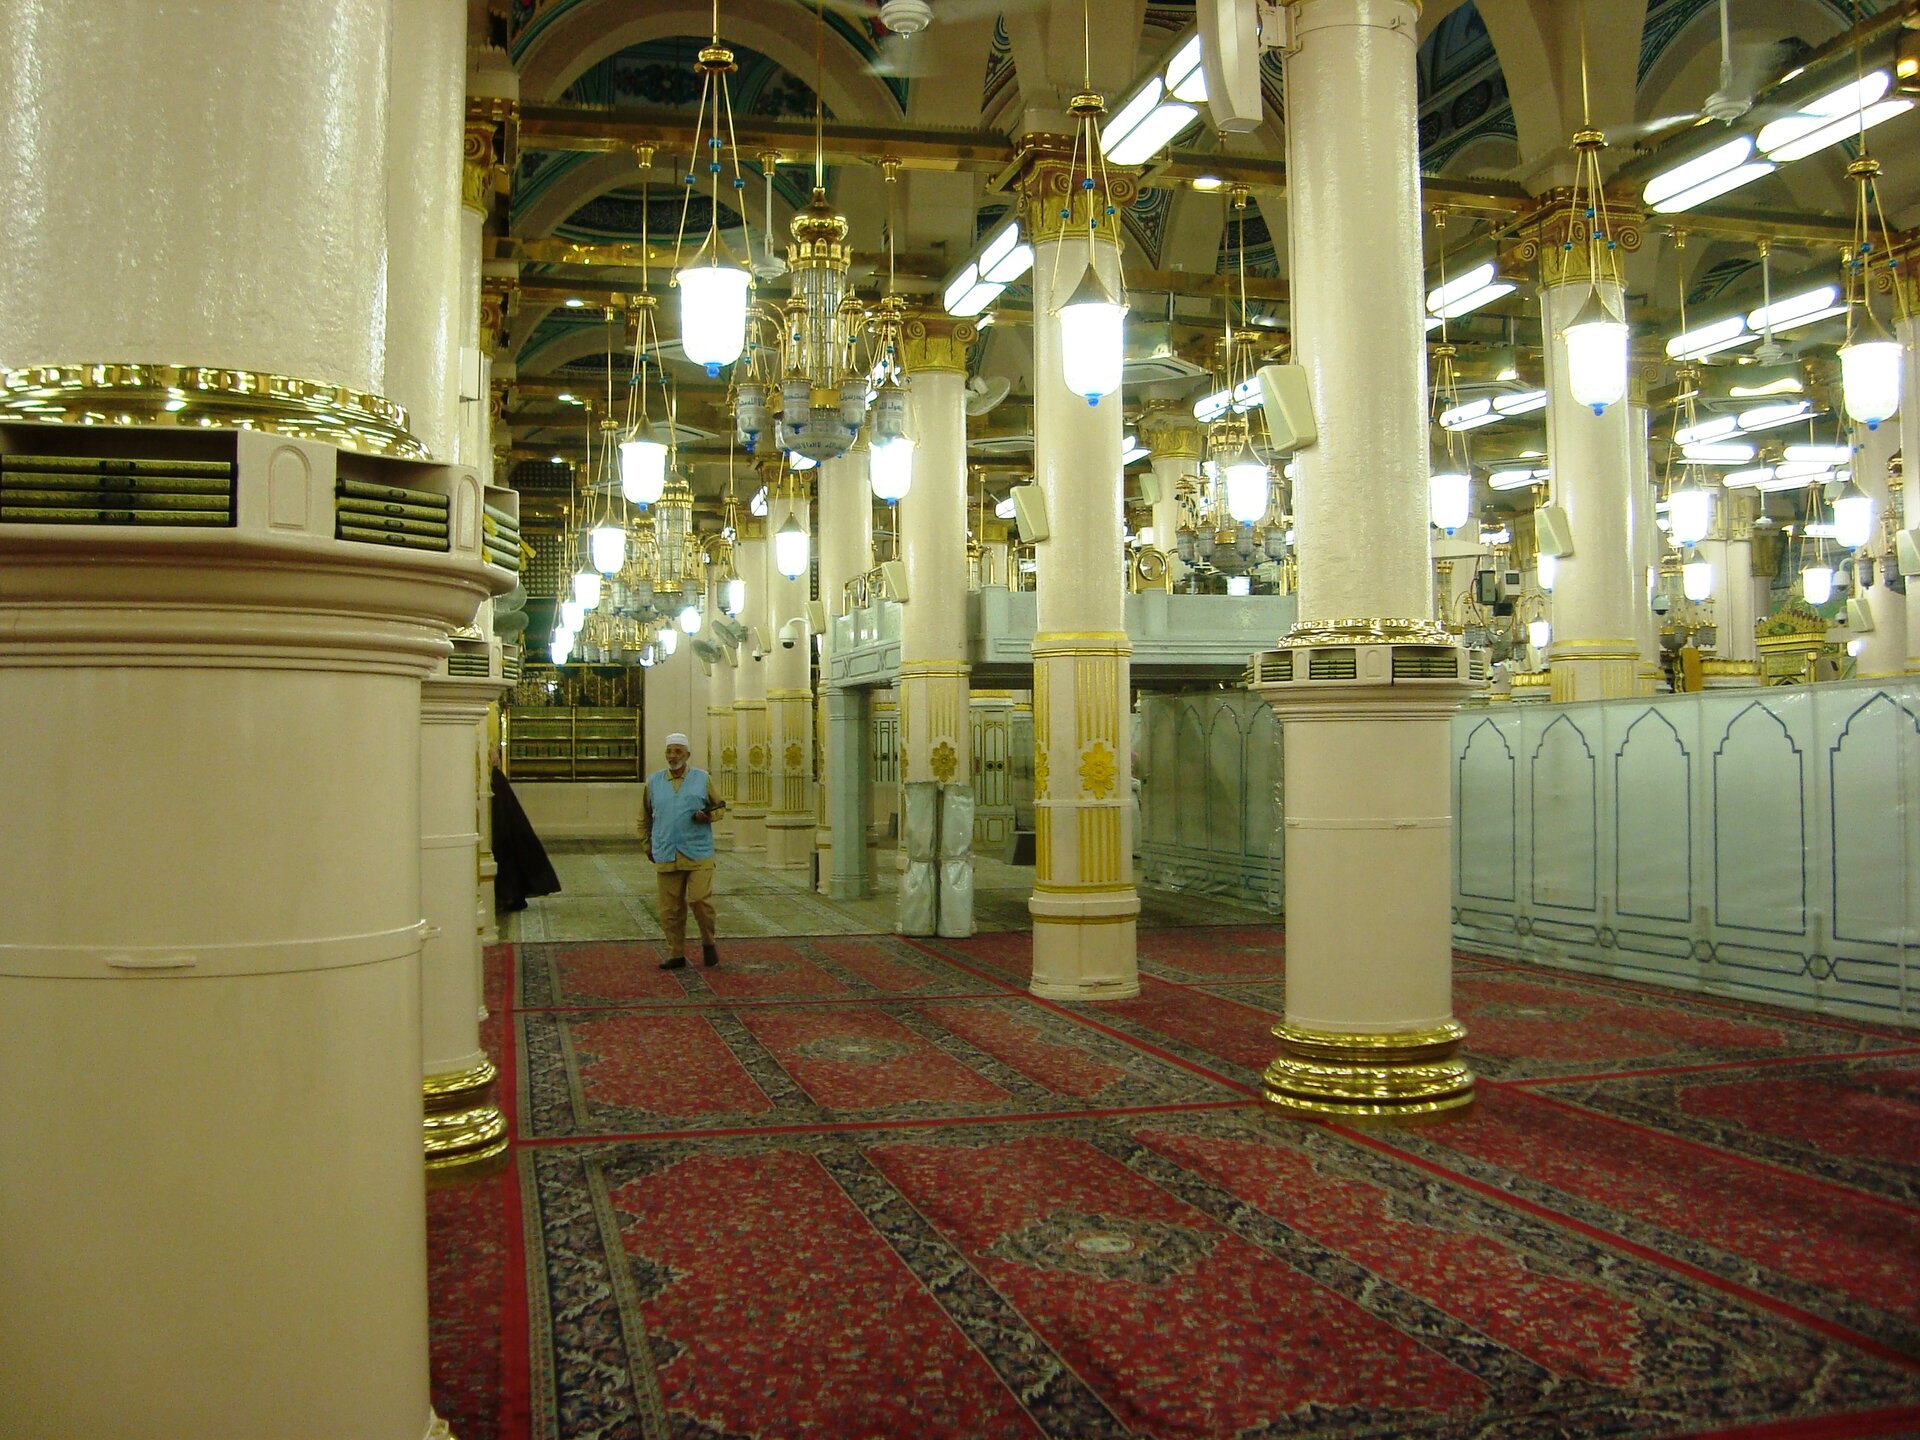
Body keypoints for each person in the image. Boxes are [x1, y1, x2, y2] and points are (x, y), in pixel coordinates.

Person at [643, 732, 723, 970]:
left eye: (678, 751)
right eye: (669, 751)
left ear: (687, 754)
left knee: (699, 900)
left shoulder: (702, 778)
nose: (672, 756)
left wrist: (707, 816)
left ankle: (709, 942)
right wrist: (647, 845)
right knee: (670, 909)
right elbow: (644, 817)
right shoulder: (654, 782)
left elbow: (719, 808)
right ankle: (675, 954)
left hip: (698, 852)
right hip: (666, 851)